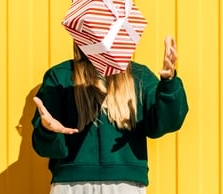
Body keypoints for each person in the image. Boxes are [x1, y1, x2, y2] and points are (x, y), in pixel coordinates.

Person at [31, 35, 189, 193]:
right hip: (71, 185)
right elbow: (44, 148)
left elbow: (164, 123)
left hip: (125, 185)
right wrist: (47, 130)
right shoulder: (61, 76)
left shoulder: (139, 76)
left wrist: (168, 82)